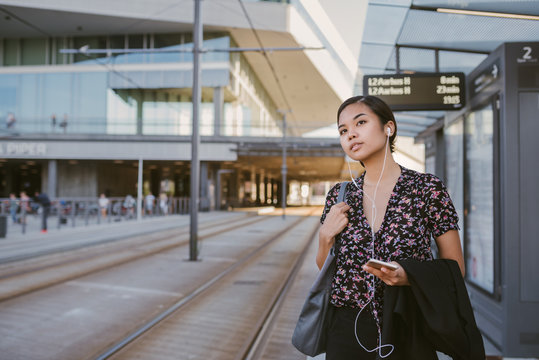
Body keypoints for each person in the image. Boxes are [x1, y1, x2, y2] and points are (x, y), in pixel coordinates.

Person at [317, 96, 467, 359]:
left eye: (360, 122)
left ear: (389, 127)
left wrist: (408, 276)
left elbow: (456, 268)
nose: (351, 134)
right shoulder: (339, 196)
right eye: (343, 130)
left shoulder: (427, 188)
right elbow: (326, 270)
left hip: (407, 322)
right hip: (347, 330)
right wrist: (325, 236)